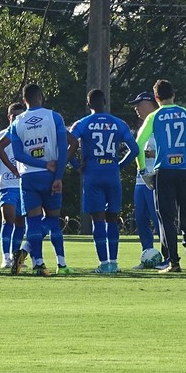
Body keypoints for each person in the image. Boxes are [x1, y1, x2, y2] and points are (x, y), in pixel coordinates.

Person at [135, 80, 186, 273]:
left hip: (164, 172)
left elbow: (139, 144)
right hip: (185, 171)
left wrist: (143, 171)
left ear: (156, 98)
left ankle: (174, 262)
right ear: (174, 95)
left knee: (167, 218)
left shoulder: (154, 116)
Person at [0, 84, 69, 277]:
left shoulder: (17, 121)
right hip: (50, 175)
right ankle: (52, 260)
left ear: (24, 100)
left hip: (28, 176)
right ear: (41, 96)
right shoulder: (54, 117)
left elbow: (18, 154)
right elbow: (63, 148)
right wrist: (56, 174)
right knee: (52, 219)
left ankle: (38, 263)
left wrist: (27, 168)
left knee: (33, 221)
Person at [69, 89, 140, 273]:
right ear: (105, 102)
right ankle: (114, 263)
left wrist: (77, 165)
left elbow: (68, 145)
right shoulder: (119, 123)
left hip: (92, 174)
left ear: (88, 104)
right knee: (113, 219)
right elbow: (134, 150)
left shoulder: (82, 123)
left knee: (98, 220)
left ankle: (103, 264)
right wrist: (120, 165)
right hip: (112, 174)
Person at [126, 91, 164, 269]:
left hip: (156, 178)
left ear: (150, 103)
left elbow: (165, 151)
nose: (136, 108)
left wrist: (145, 153)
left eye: (139, 104)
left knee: (159, 220)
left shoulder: (160, 122)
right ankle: (148, 255)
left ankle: (167, 257)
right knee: (140, 219)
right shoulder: (143, 127)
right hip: (141, 179)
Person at [0, 103, 26, 268]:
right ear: (8, 116)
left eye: (19, 116)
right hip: (7, 185)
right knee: (7, 220)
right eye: (13, 115)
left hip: (24, 185)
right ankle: (5, 258)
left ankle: (15, 256)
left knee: (21, 223)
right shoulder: (0, 136)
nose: (16, 118)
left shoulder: (26, 136)